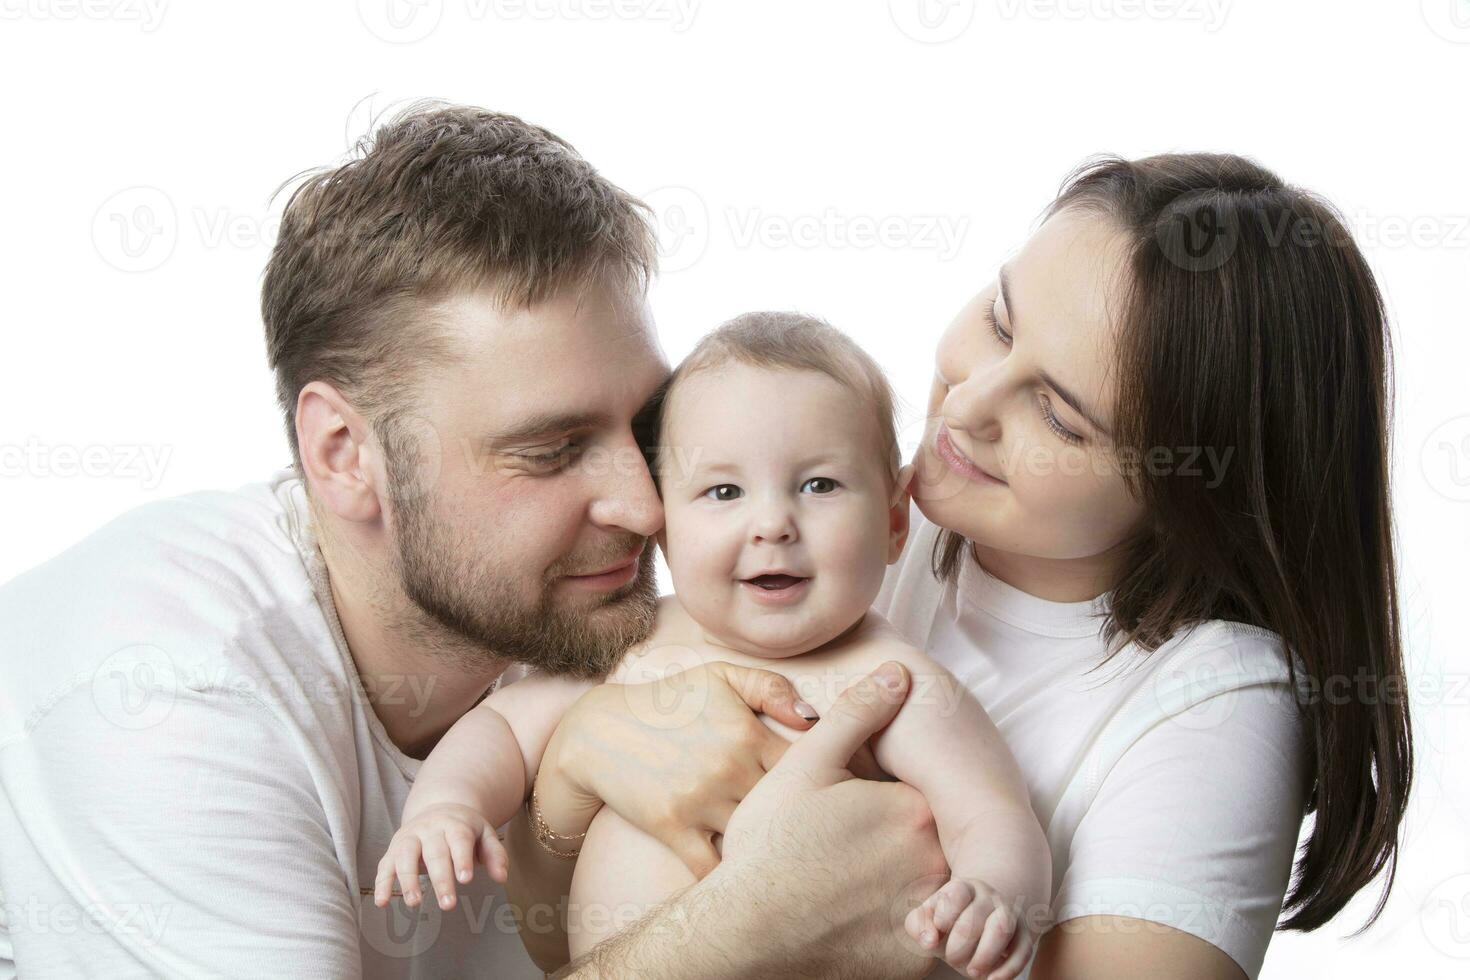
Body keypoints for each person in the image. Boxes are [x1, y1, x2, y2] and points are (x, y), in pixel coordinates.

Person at [0, 103, 946, 979]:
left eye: (648, 430)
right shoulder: (162, 694)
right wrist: (740, 933)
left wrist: (563, 812)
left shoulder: (575, 645)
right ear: (344, 455)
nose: (646, 505)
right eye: (552, 449)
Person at [528, 153, 1415, 980]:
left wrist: (768, 920)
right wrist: (570, 775)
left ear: (1195, 485)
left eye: (1061, 418)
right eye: (999, 320)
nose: (968, 404)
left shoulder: (1217, 705)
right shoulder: (846, 519)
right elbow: (551, 937)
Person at [374, 312, 1054, 979]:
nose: (772, 524)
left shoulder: (894, 683)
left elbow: (992, 811)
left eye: (819, 484)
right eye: (723, 490)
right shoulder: (635, 642)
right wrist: (447, 806)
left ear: (894, 519)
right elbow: (499, 729)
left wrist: (993, 891)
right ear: (663, 527)